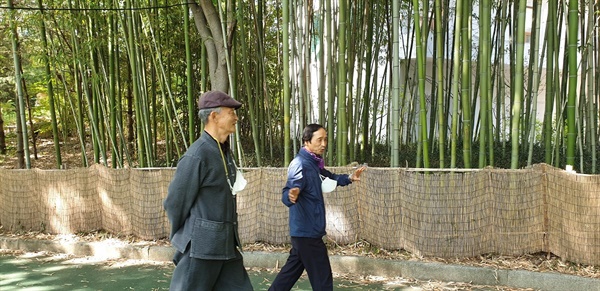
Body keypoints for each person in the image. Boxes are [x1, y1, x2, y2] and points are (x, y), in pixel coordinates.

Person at [163, 90, 253, 291]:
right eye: (231, 112)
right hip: (203, 248)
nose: (236, 118)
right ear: (214, 116)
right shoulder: (197, 155)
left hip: (227, 246)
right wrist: (186, 236)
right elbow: (174, 203)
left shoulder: (223, 150)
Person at [269, 123, 367, 291]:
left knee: (288, 276)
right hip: (307, 233)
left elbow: (330, 177)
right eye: (319, 140)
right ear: (307, 141)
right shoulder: (300, 163)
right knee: (323, 280)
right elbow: (288, 191)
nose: (324, 144)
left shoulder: (314, 164)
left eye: (326, 139)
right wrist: (291, 195)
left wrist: (350, 178)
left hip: (305, 232)